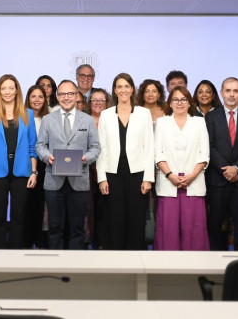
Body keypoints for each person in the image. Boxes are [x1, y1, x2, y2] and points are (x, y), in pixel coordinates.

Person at [36, 80, 100, 249]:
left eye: (70, 94)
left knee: (77, 228)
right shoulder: (48, 120)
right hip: (53, 181)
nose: (66, 98)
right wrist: (47, 157)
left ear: (76, 95)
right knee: (54, 227)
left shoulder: (87, 120)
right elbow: (40, 145)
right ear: (57, 96)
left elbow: (96, 147)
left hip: (79, 182)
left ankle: (75, 267)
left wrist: (86, 158)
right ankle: (55, 265)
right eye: (63, 94)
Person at [97, 73, 155, 250]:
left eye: (126, 86)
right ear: (115, 90)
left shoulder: (143, 113)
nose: (123, 90)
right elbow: (102, 148)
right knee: (115, 217)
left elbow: (149, 147)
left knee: (136, 217)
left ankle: (135, 257)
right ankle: (115, 258)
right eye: (119, 86)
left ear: (132, 89)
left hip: (137, 173)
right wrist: (102, 178)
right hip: (112, 173)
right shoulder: (106, 115)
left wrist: (148, 178)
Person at [0, 74, 37, 249]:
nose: (7, 91)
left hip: (22, 171)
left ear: (16, 91)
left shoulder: (27, 113)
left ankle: (16, 252)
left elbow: (32, 145)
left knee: (18, 216)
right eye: (3, 88)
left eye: (11, 88)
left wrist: (34, 172)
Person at [205, 77, 238, 251]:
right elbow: (209, 147)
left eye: (235, 91)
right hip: (218, 180)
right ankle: (215, 263)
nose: (231, 94)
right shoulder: (211, 117)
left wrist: (236, 169)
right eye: (228, 91)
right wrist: (226, 170)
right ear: (221, 93)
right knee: (216, 225)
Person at [154, 86, 210, 250]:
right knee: (168, 230)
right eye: (175, 99)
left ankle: (196, 269)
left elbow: (204, 153)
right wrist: (170, 175)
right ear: (170, 103)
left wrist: (192, 175)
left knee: (194, 230)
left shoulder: (199, 122)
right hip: (168, 182)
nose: (179, 103)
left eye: (183, 99)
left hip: (193, 182)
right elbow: (159, 153)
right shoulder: (162, 122)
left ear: (189, 103)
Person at [86, 88, 111, 249]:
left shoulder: (112, 120)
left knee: (105, 208)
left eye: (101, 100)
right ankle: (92, 242)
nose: (98, 103)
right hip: (87, 170)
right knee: (90, 208)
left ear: (107, 103)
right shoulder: (84, 120)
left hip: (108, 170)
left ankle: (103, 243)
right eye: (94, 100)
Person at [25, 84, 49, 248]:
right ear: (28, 98)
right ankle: (26, 242)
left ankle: (40, 242)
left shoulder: (49, 119)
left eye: (40, 96)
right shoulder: (22, 118)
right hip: (26, 165)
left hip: (46, 166)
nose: (37, 100)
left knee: (42, 205)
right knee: (26, 205)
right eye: (33, 96)